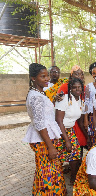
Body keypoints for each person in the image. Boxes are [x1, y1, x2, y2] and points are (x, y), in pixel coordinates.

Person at [23, 63, 66, 195]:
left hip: (46, 138)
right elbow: (40, 123)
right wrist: (50, 147)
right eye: (43, 76)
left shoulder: (39, 93)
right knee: (46, 171)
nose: (47, 78)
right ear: (33, 78)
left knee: (48, 169)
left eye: (47, 75)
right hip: (43, 139)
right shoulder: (36, 96)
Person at [55, 77, 85, 184]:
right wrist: (66, 140)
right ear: (70, 89)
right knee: (58, 156)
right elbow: (58, 120)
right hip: (59, 131)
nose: (77, 89)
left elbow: (81, 121)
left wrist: (87, 136)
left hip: (70, 130)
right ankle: (57, 180)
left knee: (75, 154)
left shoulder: (81, 102)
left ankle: (73, 178)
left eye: (79, 87)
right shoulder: (64, 99)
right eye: (74, 87)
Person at [57, 65, 89, 152]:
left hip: (79, 118)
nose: (79, 76)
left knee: (81, 143)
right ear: (71, 76)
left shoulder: (85, 88)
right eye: (76, 74)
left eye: (81, 74)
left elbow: (85, 104)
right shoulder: (65, 87)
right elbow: (59, 99)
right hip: (69, 120)